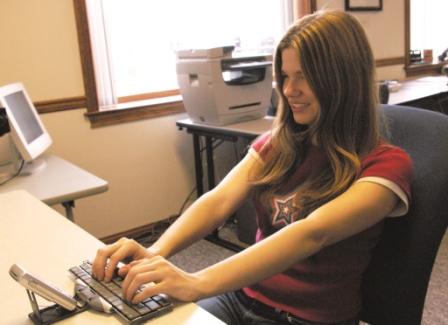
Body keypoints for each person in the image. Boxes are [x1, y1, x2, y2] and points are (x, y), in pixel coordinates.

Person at [92, 10, 413, 325]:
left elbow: (312, 233)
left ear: (343, 79)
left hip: (307, 318)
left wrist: (197, 282)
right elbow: (219, 201)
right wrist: (156, 252)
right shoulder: (280, 143)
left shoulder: (386, 167)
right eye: (286, 76)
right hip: (242, 297)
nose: (289, 90)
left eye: (304, 76)